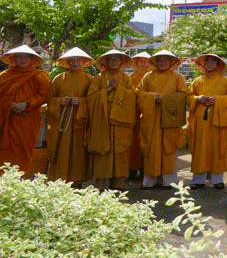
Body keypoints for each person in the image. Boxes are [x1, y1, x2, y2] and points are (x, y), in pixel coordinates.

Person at [86, 50, 137, 191]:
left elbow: (132, 96)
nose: (114, 62)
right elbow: (90, 98)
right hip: (102, 118)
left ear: (121, 62)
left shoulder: (126, 79)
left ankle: (118, 182)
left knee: (119, 149)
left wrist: (118, 89)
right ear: (105, 63)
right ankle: (100, 182)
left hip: (120, 120)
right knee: (102, 149)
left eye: (117, 60)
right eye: (111, 60)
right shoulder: (98, 78)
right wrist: (108, 89)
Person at [137, 50, 187, 190]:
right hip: (151, 118)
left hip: (170, 118)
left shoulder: (178, 77)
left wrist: (164, 99)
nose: (163, 63)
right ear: (155, 62)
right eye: (160, 60)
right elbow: (139, 93)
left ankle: (168, 181)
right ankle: (149, 181)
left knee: (168, 148)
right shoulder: (148, 77)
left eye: (166, 60)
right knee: (151, 148)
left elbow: (183, 95)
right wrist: (153, 97)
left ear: (171, 62)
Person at [186, 53, 227, 190]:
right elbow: (188, 97)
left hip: (218, 120)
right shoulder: (196, 81)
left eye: (213, 62)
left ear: (219, 65)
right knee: (200, 148)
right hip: (200, 121)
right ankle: (198, 179)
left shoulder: (225, 81)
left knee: (217, 147)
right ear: (202, 64)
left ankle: (217, 179)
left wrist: (219, 100)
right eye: (207, 61)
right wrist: (197, 99)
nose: (209, 64)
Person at [46, 47, 94, 185]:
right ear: (66, 63)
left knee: (78, 150)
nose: (75, 63)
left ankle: (77, 180)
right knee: (60, 148)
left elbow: (94, 100)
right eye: (71, 60)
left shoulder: (90, 80)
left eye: (78, 60)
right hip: (61, 121)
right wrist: (59, 101)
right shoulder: (58, 79)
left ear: (84, 62)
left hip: (80, 120)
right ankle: (58, 178)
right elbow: (49, 99)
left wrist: (81, 101)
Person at [0, 45, 49, 175]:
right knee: (5, 150)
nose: (22, 59)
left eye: (26, 57)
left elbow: (44, 95)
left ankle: (21, 179)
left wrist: (26, 104)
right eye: (19, 57)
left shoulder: (39, 75)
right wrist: (11, 105)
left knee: (23, 149)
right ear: (13, 59)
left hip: (27, 119)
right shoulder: (4, 76)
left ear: (32, 59)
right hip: (7, 118)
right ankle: (5, 181)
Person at [128, 51, 152, 181]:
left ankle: (144, 170)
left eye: (146, 61)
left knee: (146, 140)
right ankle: (131, 169)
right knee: (132, 142)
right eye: (140, 61)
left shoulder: (152, 78)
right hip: (133, 113)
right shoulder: (130, 78)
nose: (143, 63)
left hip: (148, 113)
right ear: (136, 63)